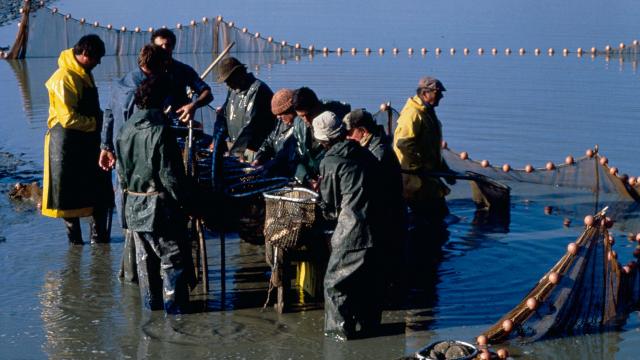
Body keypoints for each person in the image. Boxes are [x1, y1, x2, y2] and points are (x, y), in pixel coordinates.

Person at [115, 76, 193, 314]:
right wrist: (187, 203)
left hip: (133, 206)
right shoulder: (161, 132)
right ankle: (176, 315)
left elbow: (121, 175)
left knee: (146, 262)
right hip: (159, 207)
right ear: (162, 102)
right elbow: (171, 177)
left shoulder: (124, 130)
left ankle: (152, 312)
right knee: (173, 259)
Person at [98, 44, 170, 282]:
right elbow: (143, 127)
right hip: (136, 156)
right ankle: (138, 271)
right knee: (141, 207)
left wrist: (105, 147)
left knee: (124, 205)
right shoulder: (145, 88)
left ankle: (129, 271)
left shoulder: (120, 84)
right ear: (158, 66)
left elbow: (108, 114)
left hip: (119, 152)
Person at [313, 112, 382, 340]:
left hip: (353, 231)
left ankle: (338, 335)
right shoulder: (365, 153)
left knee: (334, 284)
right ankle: (370, 327)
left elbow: (330, 206)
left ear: (323, 141)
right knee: (367, 281)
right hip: (379, 228)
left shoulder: (330, 162)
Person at [42, 34, 113, 245]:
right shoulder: (64, 77)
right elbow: (67, 118)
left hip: (88, 141)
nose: (98, 63)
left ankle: (99, 245)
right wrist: (96, 124)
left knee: (97, 194)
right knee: (68, 198)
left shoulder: (83, 73)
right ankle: (75, 245)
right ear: (84, 54)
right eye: (96, 58)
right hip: (65, 143)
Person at [344, 109, 408, 304]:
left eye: (349, 133)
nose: (347, 137)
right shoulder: (371, 147)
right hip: (385, 215)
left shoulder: (378, 152)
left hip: (389, 217)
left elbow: (371, 185)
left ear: (362, 131)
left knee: (387, 264)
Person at [393, 76, 455, 224]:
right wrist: (420, 168)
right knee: (428, 218)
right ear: (425, 93)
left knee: (438, 216)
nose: (441, 96)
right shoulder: (413, 113)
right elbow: (404, 143)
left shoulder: (427, 112)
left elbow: (431, 148)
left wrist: (445, 170)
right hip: (412, 177)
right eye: (437, 92)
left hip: (425, 177)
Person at [214, 57, 276, 162]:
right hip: (236, 146)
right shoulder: (233, 89)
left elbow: (249, 125)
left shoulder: (257, 89)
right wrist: (216, 141)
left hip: (256, 150)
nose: (227, 84)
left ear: (239, 74)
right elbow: (224, 115)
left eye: (229, 80)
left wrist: (234, 153)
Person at [291, 87, 350, 189]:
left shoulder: (336, 119)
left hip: (335, 178)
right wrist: (307, 179)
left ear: (317, 105)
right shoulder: (298, 124)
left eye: (308, 114)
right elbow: (295, 157)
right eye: (301, 116)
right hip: (311, 180)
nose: (306, 120)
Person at [150, 28, 213, 122]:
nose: (164, 49)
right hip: (153, 126)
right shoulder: (147, 71)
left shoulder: (183, 70)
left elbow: (207, 94)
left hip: (178, 124)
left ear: (173, 46)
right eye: (160, 46)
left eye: (167, 45)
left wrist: (193, 105)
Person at [252, 88, 299, 178]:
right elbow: (269, 142)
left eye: (281, 114)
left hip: (290, 174)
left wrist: (269, 165)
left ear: (292, 110)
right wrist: (259, 158)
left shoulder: (301, 129)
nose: (278, 117)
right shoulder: (280, 123)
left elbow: (285, 154)